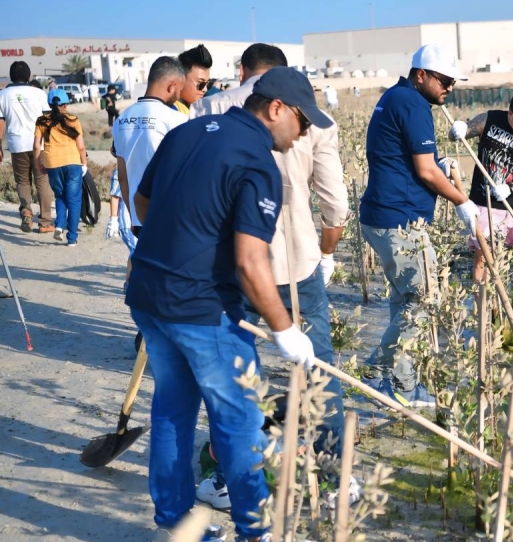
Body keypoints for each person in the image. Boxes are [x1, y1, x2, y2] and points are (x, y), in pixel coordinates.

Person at [126, 67, 331, 542]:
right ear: (276, 108)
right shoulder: (257, 162)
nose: (304, 134)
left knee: (172, 409)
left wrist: (185, 241)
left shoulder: (186, 130)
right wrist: (285, 330)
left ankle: (174, 533)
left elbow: (143, 202)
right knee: (239, 420)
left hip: (149, 295)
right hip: (202, 309)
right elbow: (250, 262)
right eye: (303, 122)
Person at [190, 42, 351, 509]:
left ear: (243, 71)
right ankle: (335, 472)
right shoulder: (314, 120)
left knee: (233, 372)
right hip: (295, 261)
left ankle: (227, 474)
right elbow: (335, 201)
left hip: (226, 267)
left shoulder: (209, 108)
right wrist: (327, 252)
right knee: (318, 366)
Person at [359, 43, 477, 406]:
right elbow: (424, 170)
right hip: (399, 221)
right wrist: (463, 202)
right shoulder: (411, 104)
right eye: (444, 80)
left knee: (404, 304)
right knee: (425, 302)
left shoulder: (395, 98)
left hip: (384, 214)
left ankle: (403, 383)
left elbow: (416, 161)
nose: (449, 88)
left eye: (453, 82)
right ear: (421, 74)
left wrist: (442, 167)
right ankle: (376, 373)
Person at [448, 90, 513, 320]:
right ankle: (482, 308)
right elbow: (458, 134)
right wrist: (460, 129)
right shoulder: (490, 120)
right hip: (485, 202)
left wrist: (510, 188)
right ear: (511, 114)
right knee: (483, 256)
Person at [111, 56, 188, 286]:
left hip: (139, 216)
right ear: (171, 85)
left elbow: (122, 176)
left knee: (150, 275)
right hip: (169, 216)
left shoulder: (121, 119)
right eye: (179, 90)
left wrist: (134, 213)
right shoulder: (176, 119)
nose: (178, 96)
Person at [0, 61, 55, 233]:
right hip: (39, 144)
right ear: (29, 75)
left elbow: (1, 122)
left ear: (11, 76)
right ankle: (45, 222)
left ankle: (26, 212)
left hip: (16, 145)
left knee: (22, 181)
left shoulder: (3, 94)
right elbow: (47, 120)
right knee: (42, 182)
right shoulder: (38, 93)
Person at [32, 89, 87, 246]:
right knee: (74, 200)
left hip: (52, 162)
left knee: (60, 195)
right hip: (72, 161)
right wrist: (84, 163)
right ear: (65, 104)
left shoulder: (42, 121)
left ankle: (59, 226)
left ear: (50, 104)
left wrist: (39, 164)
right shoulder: (73, 119)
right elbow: (81, 147)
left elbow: (37, 146)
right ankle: (71, 239)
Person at [174, 44, 213, 115]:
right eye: (201, 83)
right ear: (180, 79)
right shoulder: (172, 113)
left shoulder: (194, 110)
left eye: (208, 84)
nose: (205, 89)